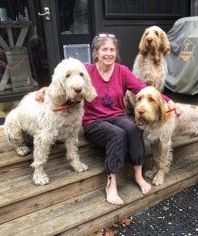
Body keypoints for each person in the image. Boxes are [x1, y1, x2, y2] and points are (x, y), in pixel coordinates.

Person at [36, 32, 174, 205]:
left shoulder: (122, 71)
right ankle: (111, 184)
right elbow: (65, 80)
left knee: (133, 128)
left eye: (112, 49)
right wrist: (44, 90)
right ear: (96, 52)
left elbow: (141, 88)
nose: (108, 53)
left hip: (117, 116)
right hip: (94, 121)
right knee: (117, 134)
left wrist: (169, 101)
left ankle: (138, 175)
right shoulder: (86, 71)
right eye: (104, 49)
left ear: (116, 52)